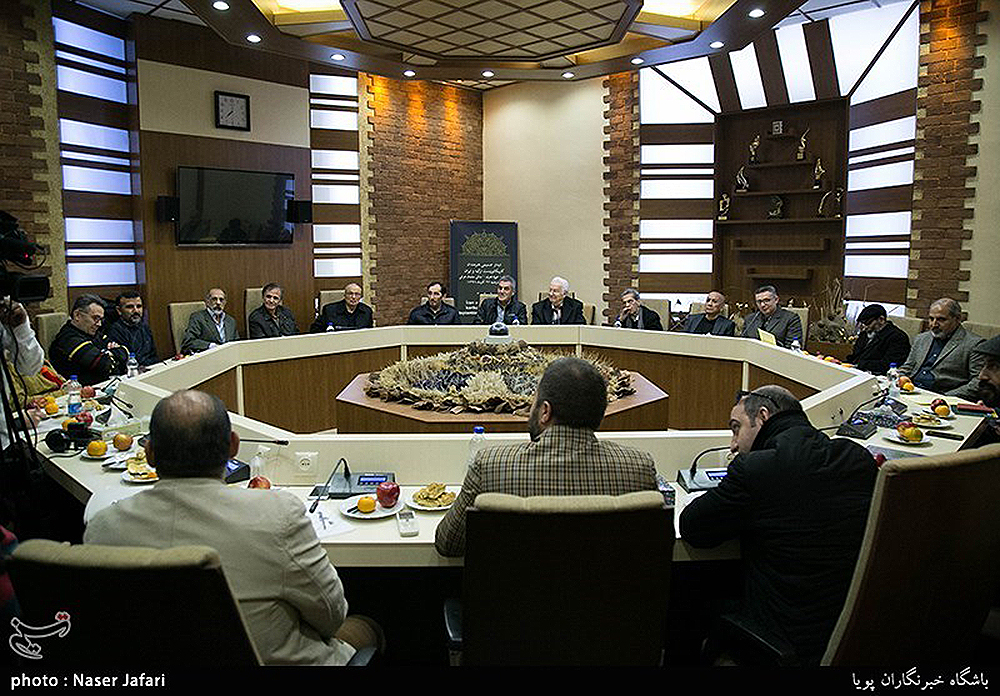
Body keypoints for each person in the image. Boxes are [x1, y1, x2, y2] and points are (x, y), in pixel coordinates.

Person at [84, 390, 382, 665]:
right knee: (366, 628)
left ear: (149, 453)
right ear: (233, 446)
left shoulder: (102, 528)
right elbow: (331, 616)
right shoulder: (279, 514)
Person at [679, 386, 877, 665]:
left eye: (736, 428)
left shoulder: (756, 469)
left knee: (686, 594)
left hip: (783, 639)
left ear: (763, 416)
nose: (733, 444)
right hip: (851, 636)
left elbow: (693, 528)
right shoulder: (856, 457)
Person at [435, 357, 658, 557]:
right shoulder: (639, 468)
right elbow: (656, 546)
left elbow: (448, 543)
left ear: (545, 411)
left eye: (534, 402)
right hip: (608, 592)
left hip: (516, 592)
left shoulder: (490, 465)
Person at [899, 297, 984, 400]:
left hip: (944, 396)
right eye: (931, 319)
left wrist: (945, 397)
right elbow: (908, 367)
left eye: (941, 319)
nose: (934, 324)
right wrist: (899, 377)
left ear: (957, 319)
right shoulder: (921, 339)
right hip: (912, 391)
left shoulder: (974, 344)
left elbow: (978, 382)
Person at [49, 294, 127, 386]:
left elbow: (125, 351)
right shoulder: (68, 338)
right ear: (77, 315)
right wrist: (112, 353)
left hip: (106, 385)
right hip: (82, 390)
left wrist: (109, 353)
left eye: (101, 319)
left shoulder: (94, 333)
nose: (99, 324)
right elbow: (104, 364)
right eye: (95, 318)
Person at [0, 298, 44, 448]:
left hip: (6, 441)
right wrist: (17, 422)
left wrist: (21, 327)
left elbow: (30, 367)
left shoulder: (5, 310)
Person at [844, 304, 911, 375]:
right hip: (856, 371)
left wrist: (860, 365)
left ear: (881, 319)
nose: (865, 327)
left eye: (868, 323)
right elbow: (855, 356)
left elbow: (889, 364)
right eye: (863, 323)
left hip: (876, 375)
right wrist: (842, 364)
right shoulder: (864, 334)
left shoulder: (898, 337)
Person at [104, 291, 158, 366]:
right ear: (119, 310)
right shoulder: (115, 331)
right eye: (130, 307)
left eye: (139, 306)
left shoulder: (144, 327)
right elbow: (128, 360)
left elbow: (154, 355)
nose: (136, 310)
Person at [181, 288, 239, 354]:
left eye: (221, 300)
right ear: (207, 301)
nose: (218, 303)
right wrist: (210, 346)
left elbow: (237, 343)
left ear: (225, 303)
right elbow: (188, 341)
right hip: (209, 356)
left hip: (229, 356)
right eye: (214, 299)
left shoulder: (231, 321)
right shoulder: (198, 318)